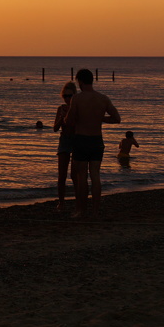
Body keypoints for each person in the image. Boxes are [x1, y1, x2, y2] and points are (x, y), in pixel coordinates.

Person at [65, 68, 120, 219]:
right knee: (95, 175)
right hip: (97, 140)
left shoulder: (77, 98)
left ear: (80, 81)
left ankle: (81, 210)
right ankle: (95, 211)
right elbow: (117, 118)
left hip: (81, 139)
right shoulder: (103, 98)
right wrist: (100, 119)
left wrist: (75, 119)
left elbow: (69, 121)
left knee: (81, 176)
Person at [51, 81, 78, 210]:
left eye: (70, 96)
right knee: (62, 175)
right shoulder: (60, 109)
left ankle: (79, 201)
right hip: (65, 140)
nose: (67, 98)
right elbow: (55, 128)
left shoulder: (78, 108)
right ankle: (61, 202)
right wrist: (61, 119)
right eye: (65, 96)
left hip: (76, 140)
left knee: (75, 175)